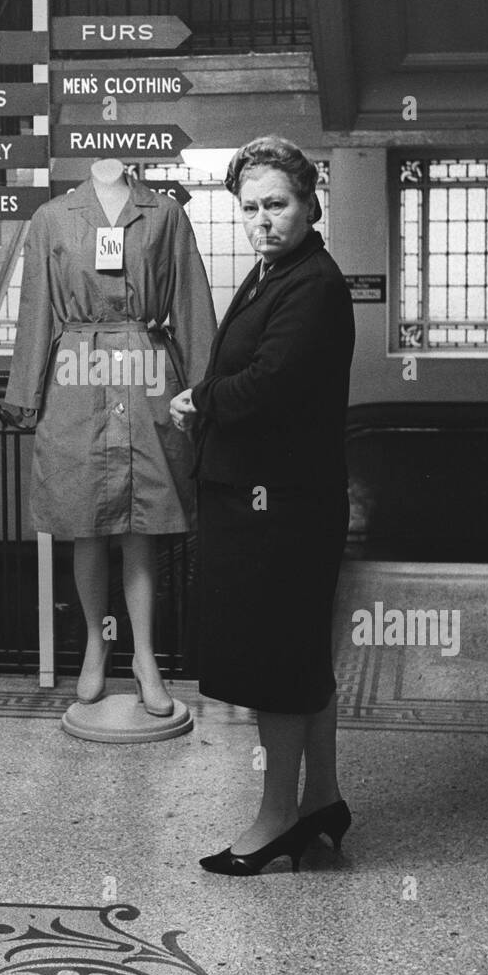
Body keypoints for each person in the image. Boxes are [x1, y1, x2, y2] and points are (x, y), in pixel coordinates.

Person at [170, 136, 355, 873]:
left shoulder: (310, 282)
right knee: (301, 657)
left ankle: (278, 817)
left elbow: (270, 384)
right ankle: (323, 801)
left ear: (310, 204)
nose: (262, 220)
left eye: (276, 205)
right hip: (272, 497)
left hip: (278, 506)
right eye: (249, 208)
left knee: (278, 663)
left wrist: (200, 398)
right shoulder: (278, 270)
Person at [6, 159, 216, 715]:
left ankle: (145, 657)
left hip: (148, 374)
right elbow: (34, 309)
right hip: (77, 376)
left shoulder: (166, 214)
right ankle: (95, 646)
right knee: (86, 526)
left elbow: (191, 301)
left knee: (141, 524)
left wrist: (206, 389)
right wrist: (25, 395)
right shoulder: (51, 218)